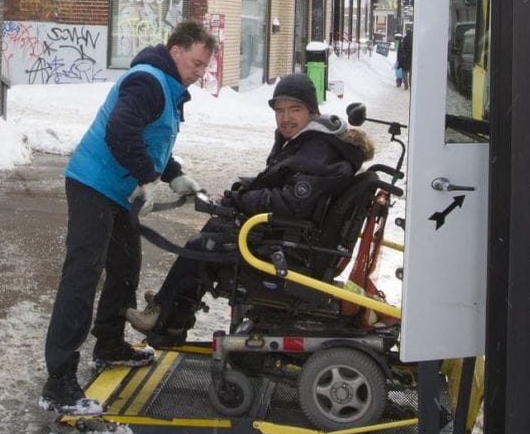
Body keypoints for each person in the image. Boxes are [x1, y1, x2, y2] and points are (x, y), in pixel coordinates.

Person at [41, 21, 218, 411]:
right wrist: (147, 178)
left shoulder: (167, 86)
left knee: (125, 267)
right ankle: (59, 380)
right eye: (196, 63)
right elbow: (120, 132)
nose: (200, 73)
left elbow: (148, 138)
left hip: (118, 190)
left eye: (204, 67)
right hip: (93, 184)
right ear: (175, 52)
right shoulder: (148, 82)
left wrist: (174, 175)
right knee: (83, 276)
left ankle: (109, 346)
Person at [125, 73, 374, 342]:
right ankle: (170, 309)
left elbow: (291, 203)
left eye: (295, 110)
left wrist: (242, 200)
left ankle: (164, 318)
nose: (286, 118)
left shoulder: (319, 151)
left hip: (291, 252)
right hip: (291, 239)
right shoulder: (310, 142)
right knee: (216, 228)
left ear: (312, 112)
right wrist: (239, 192)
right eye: (280, 111)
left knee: (202, 246)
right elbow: (279, 181)